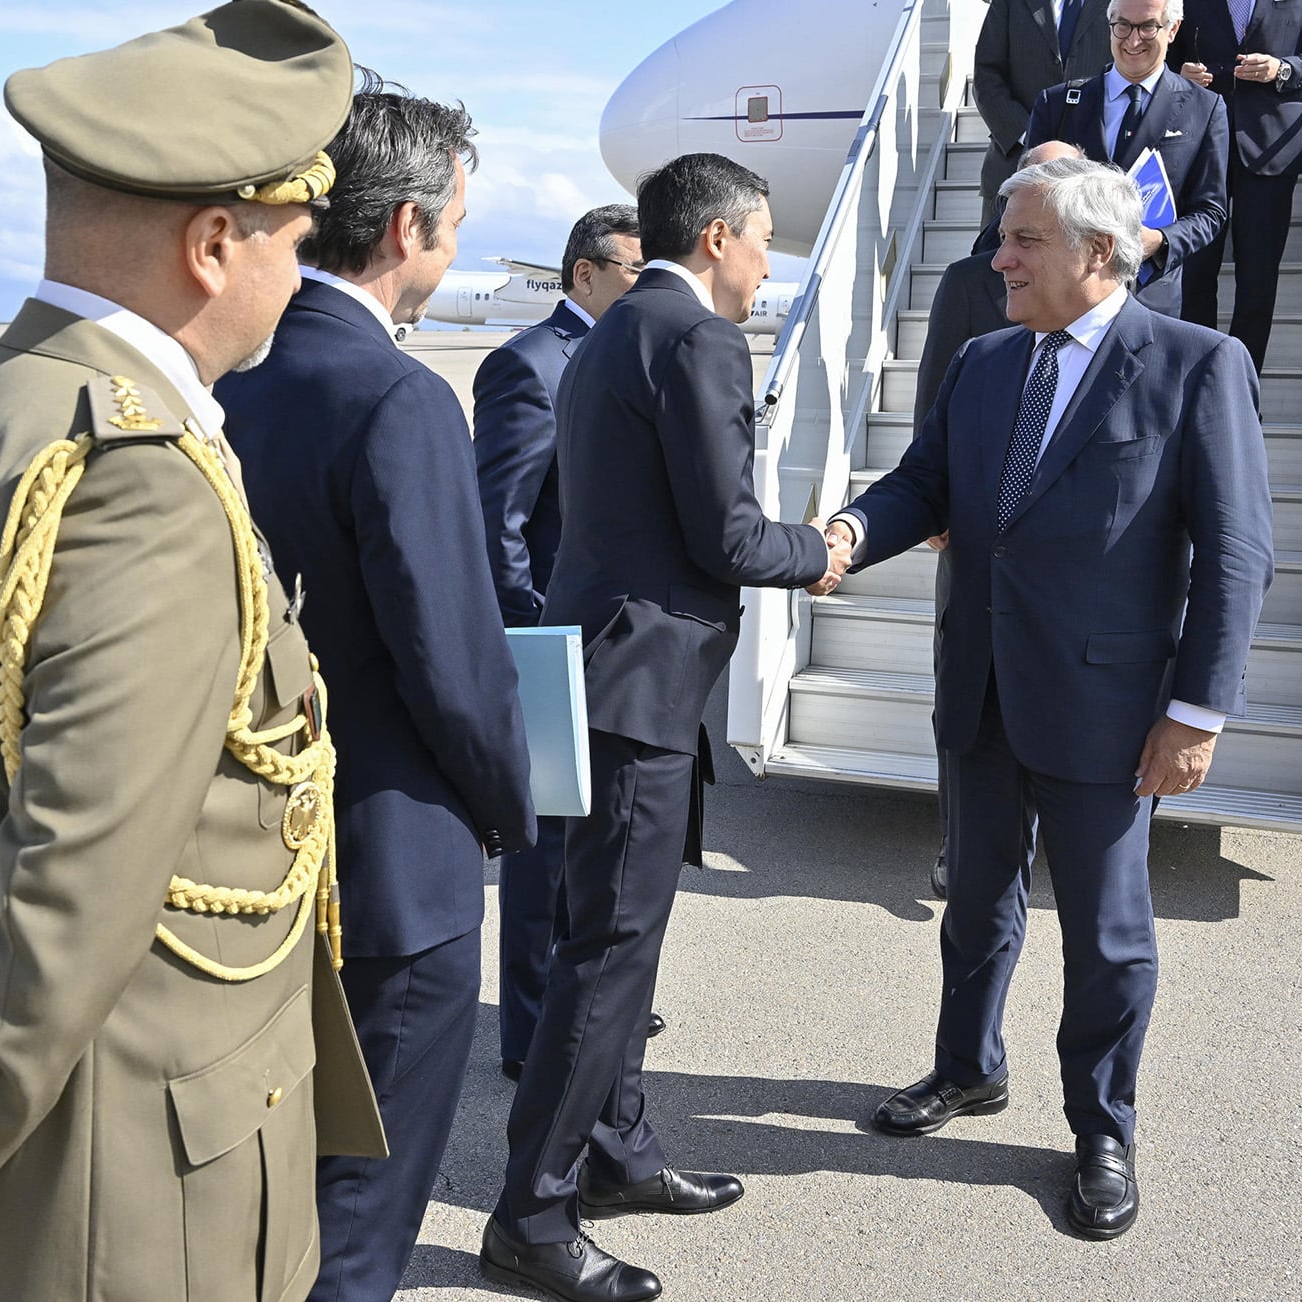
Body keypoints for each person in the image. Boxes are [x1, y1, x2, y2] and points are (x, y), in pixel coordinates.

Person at [0, 4, 387, 1298]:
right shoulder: (137, 476)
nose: (298, 268)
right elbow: (64, 919)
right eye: (294, 238)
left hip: (90, 1163)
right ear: (215, 245)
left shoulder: (0, 404)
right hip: (144, 1199)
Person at [828, 157, 1273, 1239]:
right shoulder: (985, 361)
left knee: (1108, 936)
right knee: (974, 903)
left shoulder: (1194, 364)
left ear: (1099, 254)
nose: (999, 257)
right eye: (1000, 237)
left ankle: (1100, 1128)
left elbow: (1235, 554)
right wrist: (846, 534)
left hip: (1106, 711)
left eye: (1022, 240)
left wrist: (1195, 713)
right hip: (979, 688)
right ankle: (965, 1069)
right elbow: (922, 484)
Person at [482, 153, 848, 1302]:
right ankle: (531, 1218)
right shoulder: (696, 338)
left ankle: (621, 1148)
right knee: (608, 954)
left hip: (605, 664)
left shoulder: (604, 335)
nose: (766, 259)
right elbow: (728, 537)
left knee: (608, 937)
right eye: (762, 238)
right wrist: (828, 549)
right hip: (639, 684)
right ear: (718, 239)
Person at [218, 78, 535, 1302]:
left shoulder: (230, 378)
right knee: (357, 1216)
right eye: (456, 222)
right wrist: (517, 802)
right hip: (392, 871)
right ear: (406, 226)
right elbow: (455, 667)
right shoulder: (400, 398)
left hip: (248, 862)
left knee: (265, 1188)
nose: (452, 247)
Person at [472, 204, 668, 1083]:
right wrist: (536, 638)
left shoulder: (621, 355)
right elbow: (499, 521)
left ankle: (584, 997)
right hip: (556, 639)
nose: (646, 285)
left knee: (592, 839)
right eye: (634, 269)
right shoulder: (530, 365)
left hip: (611, 639)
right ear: (583, 275)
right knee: (543, 849)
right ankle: (527, 1029)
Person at [913, 138, 1083, 901]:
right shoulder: (974, 307)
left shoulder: (1180, 353)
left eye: (1025, 237)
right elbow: (932, 421)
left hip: (1078, 651)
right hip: (977, 572)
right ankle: (964, 850)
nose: (1002, 257)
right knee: (976, 923)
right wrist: (922, 508)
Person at [1023, 0, 1229, 319]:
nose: (1133, 41)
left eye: (1148, 26)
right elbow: (1023, 198)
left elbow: (1211, 212)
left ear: (1173, 29)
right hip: (1067, 293)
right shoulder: (1057, 105)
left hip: (1149, 298)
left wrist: (1159, 241)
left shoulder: (1205, 109)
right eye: (1122, 26)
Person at [1172, 0, 1302, 369]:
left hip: (1272, 147)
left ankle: (1240, 394)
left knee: (1257, 285)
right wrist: (1176, 74)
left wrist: (1282, 69)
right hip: (1199, 144)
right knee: (1193, 282)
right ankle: (1193, 390)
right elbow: (1161, 45)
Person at [974, 0, 1113, 209]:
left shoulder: (1120, 5)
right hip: (1013, 170)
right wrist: (1030, 134)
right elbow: (987, 75)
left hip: (1089, 177)